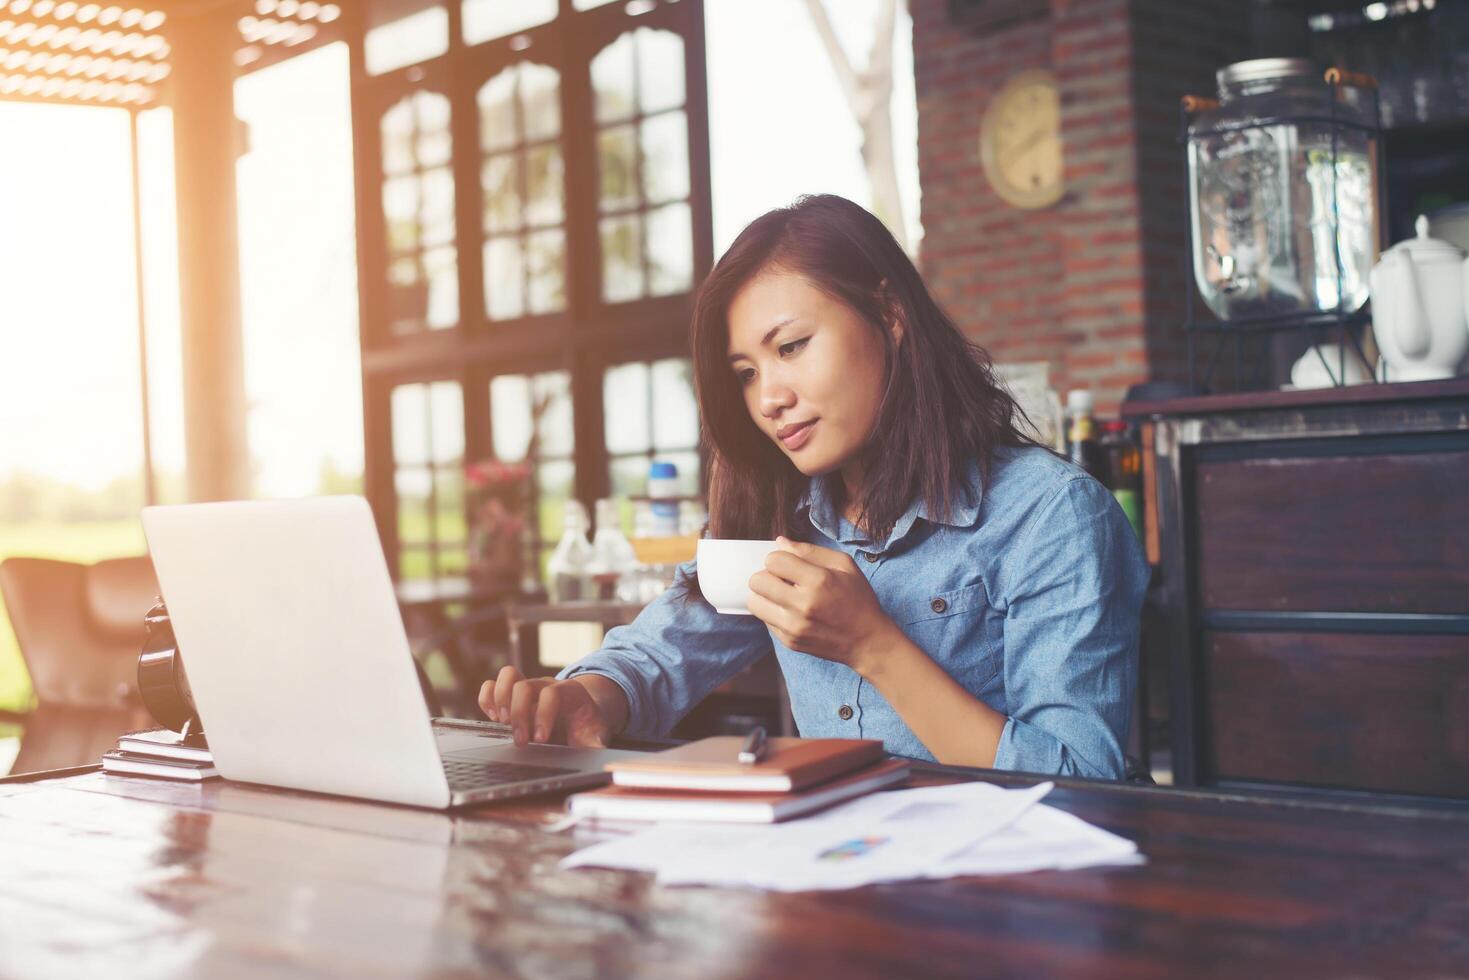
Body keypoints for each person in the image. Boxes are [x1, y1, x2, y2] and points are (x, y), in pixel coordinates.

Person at [480, 194, 1150, 779]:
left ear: (889, 316)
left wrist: (873, 645)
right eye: (745, 372)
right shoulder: (784, 516)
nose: (768, 397)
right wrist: (588, 695)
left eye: (791, 346)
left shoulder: (1051, 514)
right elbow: (663, 648)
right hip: (835, 881)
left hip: (1005, 900)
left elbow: (1082, 785)